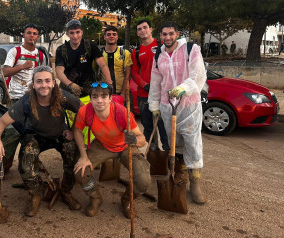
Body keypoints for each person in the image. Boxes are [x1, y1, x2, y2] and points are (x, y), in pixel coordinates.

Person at [0, 66, 82, 217]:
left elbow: (84, 111)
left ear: (53, 83)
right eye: (39, 81)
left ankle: (66, 191)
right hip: (35, 135)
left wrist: (73, 130)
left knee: (72, 156)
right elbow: (1, 122)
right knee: (25, 166)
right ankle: (36, 194)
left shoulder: (63, 96)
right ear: (33, 84)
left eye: (47, 81)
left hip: (60, 134)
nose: (44, 85)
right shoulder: (26, 101)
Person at [148, 21, 207, 204]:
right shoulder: (159, 54)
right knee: (175, 143)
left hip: (189, 104)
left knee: (193, 143)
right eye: (164, 34)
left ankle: (195, 183)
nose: (167, 37)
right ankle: (180, 175)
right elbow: (155, 81)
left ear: (177, 34)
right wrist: (154, 105)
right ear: (160, 36)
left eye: (171, 34)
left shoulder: (190, 49)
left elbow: (198, 74)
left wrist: (182, 88)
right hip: (167, 106)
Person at [73, 82, 151, 218]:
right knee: (81, 172)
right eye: (95, 96)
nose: (99, 100)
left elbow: (142, 140)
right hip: (102, 144)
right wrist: (83, 156)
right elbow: (77, 131)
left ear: (110, 98)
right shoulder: (85, 111)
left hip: (125, 146)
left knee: (144, 181)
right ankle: (95, 198)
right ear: (90, 98)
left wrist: (133, 140)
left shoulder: (122, 113)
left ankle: (127, 200)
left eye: (104, 96)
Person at [131, 19, 169, 151]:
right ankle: (152, 153)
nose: (142, 31)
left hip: (162, 94)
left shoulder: (162, 45)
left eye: (144, 27)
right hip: (144, 95)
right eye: (139, 29)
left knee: (164, 126)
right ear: (137, 33)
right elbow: (134, 73)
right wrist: (144, 84)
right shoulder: (136, 51)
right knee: (148, 127)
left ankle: (168, 153)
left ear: (151, 29)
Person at [55, 19, 113, 98]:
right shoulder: (61, 50)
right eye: (72, 33)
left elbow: (103, 65)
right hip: (68, 92)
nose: (75, 36)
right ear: (67, 34)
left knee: (86, 110)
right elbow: (59, 71)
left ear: (82, 32)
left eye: (77, 32)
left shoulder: (90, 46)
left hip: (88, 91)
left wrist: (109, 83)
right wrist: (70, 84)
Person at [3, 23, 48, 104]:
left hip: (34, 97)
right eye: (29, 33)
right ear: (24, 35)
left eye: (35, 34)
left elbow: (44, 76)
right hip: (15, 97)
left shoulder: (41, 56)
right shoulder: (15, 51)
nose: (32, 35)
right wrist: (22, 66)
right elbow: (5, 72)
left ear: (37, 37)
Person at [99, 25, 132, 101]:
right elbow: (95, 71)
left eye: (114, 34)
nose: (111, 36)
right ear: (104, 37)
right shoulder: (99, 54)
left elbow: (128, 74)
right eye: (108, 34)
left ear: (117, 37)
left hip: (120, 93)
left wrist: (123, 93)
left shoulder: (125, 53)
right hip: (104, 93)